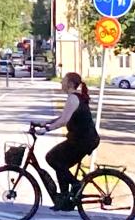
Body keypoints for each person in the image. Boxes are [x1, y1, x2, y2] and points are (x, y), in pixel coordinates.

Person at [36, 72, 100, 211]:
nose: (61, 83)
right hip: (82, 139)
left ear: (70, 84)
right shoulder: (75, 97)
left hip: (83, 141)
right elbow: (64, 117)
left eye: (63, 81)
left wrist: (46, 129)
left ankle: (76, 184)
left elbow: (64, 121)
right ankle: (64, 199)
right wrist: (45, 123)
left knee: (52, 158)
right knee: (60, 162)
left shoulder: (73, 98)